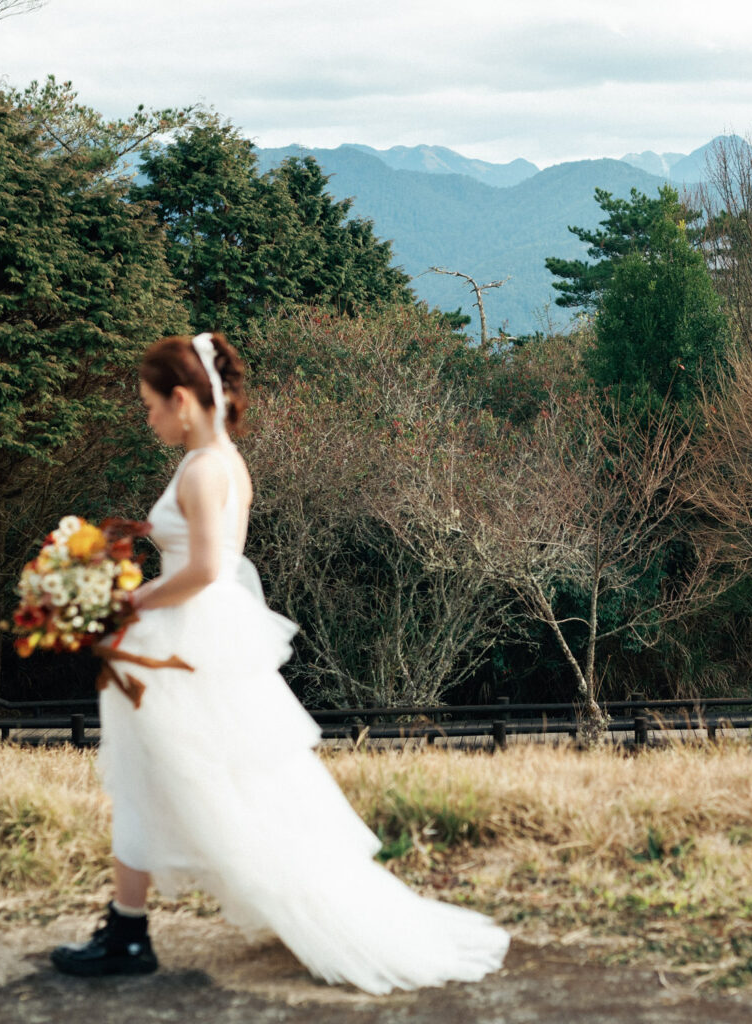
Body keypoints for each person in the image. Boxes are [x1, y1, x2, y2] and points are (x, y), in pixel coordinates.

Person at [50, 332, 509, 994]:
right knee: (169, 775)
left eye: (149, 405)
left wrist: (126, 603)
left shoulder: (203, 469)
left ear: (181, 399)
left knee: (171, 778)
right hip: (201, 635)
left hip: (182, 639)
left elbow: (204, 569)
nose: (147, 418)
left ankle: (128, 932)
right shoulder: (223, 462)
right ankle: (127, 924)